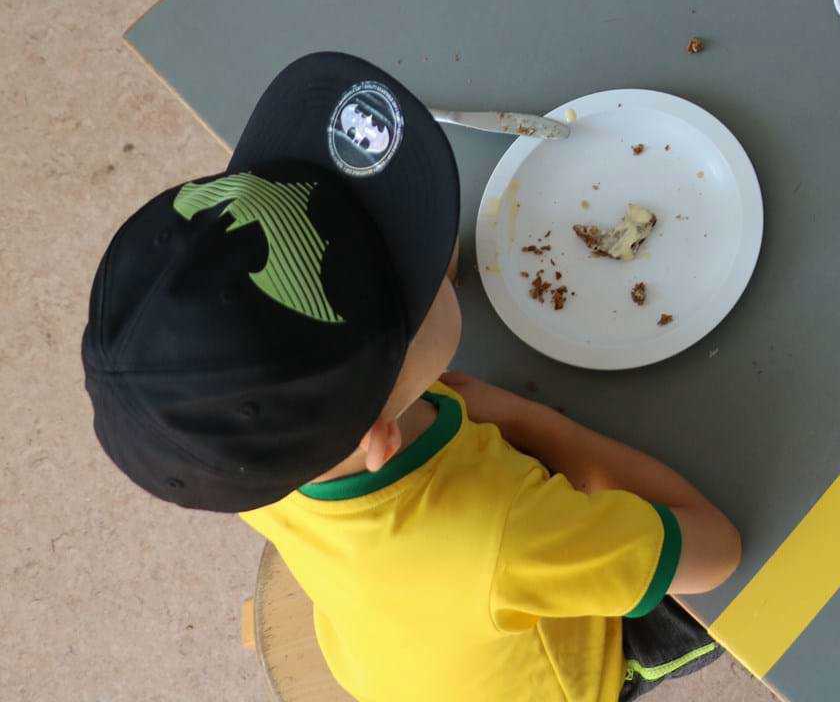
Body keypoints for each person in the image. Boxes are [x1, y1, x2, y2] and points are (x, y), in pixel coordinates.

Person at [81, 53, 740, 700]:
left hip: (395, 647)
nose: (435, 253)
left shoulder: (240, 454)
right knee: (735, 608)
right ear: (379, 435)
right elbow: (715, 550)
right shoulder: (504, 535)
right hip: (550, 672)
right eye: (411, 270)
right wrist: (517, 417)